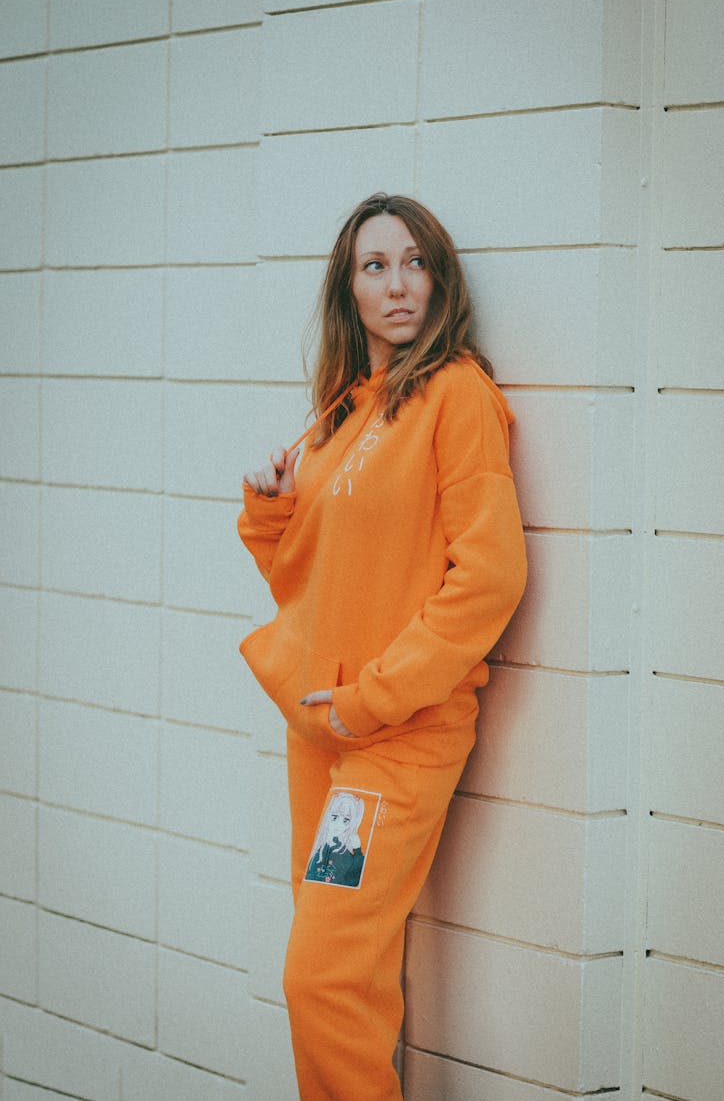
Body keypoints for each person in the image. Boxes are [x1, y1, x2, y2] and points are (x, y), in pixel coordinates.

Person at [238, 192, 527, 1100]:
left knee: (319, 977)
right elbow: (307, 580)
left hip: (393, 740)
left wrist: (374, 696)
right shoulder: (337, 414)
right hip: (321, 737)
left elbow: (489, 579)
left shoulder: (459, 396)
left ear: (440, 279)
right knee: (344, 977)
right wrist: (271, 508)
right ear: (348, 288)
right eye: (375, 266)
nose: (398, 285)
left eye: (416, 262)